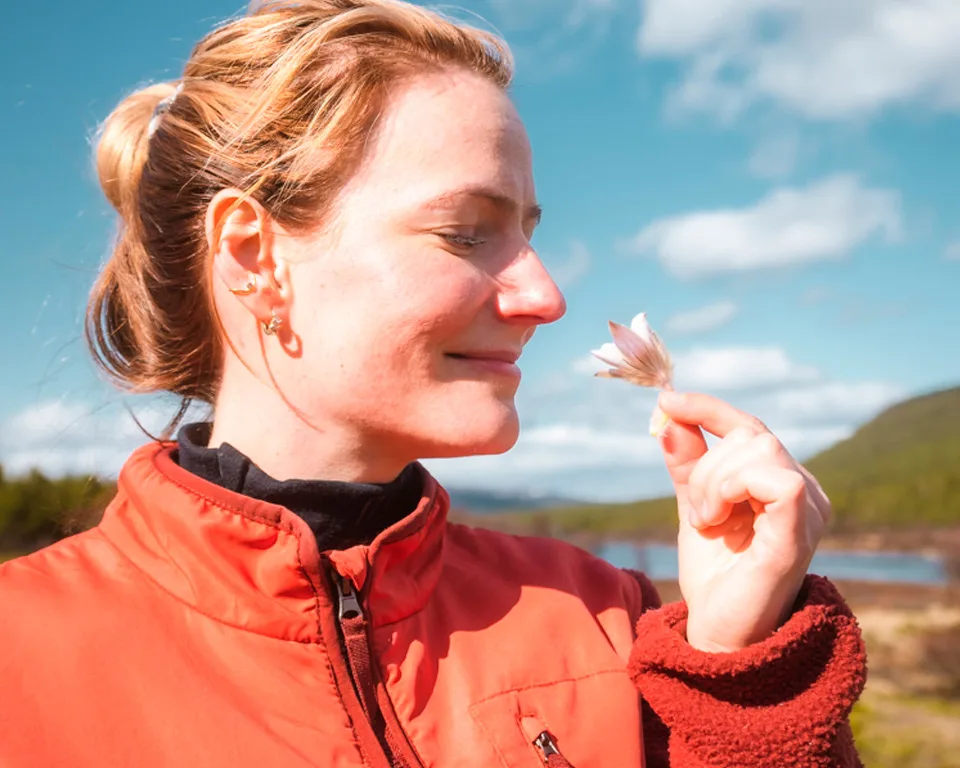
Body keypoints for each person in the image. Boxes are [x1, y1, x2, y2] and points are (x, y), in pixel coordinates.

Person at [0, 1, 866, 766]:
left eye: (527, 231)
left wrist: (736, 666)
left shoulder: (603, 614)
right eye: (464, 233)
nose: (546, 297)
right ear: (251, 256)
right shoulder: (20, 657)